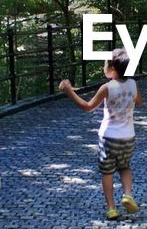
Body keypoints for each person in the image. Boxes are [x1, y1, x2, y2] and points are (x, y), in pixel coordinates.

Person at [59, 48, 142, 220]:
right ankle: (127, 194)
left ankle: (111, 208)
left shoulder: (107, 87)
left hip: (109, 137)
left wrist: (69, 90)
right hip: (128, 137)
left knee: (107, 172)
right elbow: (139, 101)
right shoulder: (133, 84)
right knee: (125, 167)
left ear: (112, 67)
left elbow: (87, 107)